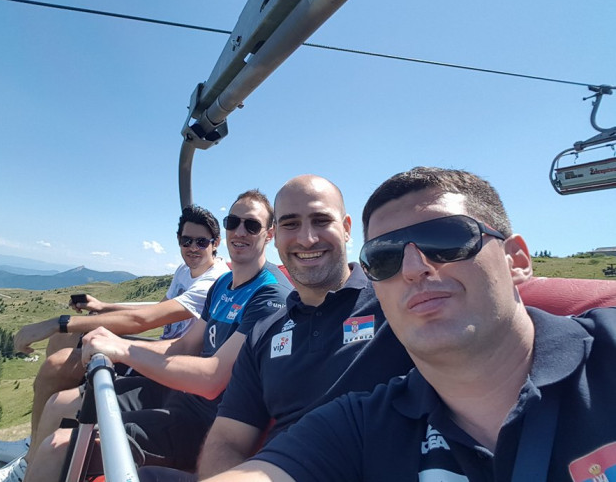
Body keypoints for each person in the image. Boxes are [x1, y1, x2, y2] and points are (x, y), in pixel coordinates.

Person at [202, 167, 616, 482]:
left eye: (447, 239)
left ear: (516, 260)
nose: (415, 268)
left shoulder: (606, 352)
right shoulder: (361, 422)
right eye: (385, 257)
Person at [137, 174, 414, 482]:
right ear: (277, 235)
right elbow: (227, 438)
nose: (307, 238)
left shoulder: (394, 305)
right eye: (291, 224)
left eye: (321, 220)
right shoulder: (264, 333)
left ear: (347, 228)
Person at [6, 189, 293, 482]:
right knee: (59, 405)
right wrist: (115, 342)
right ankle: (27, 468)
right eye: (233, 222)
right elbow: (184, 345)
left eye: (252, 225)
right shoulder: (223, 285)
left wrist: (123, 350)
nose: (240, 231)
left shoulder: (270, 295)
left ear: (269, 234)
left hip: (208, 420)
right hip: (178, 393)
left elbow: (213, 379)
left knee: (58, 448)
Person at [0, 205, 229, 469]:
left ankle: (32, 459)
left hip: (171, 359)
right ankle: (38, 438)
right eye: (187, 241)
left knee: (58, 362)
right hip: (163, 348)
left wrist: (59, 323)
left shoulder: (212, 282)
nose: (193, 248)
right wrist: (103, 306)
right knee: (64, 341)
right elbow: (156, 309)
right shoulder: (184, 271)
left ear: (215, 243)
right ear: (178, 240)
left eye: (202, 242)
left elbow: (143, 321)